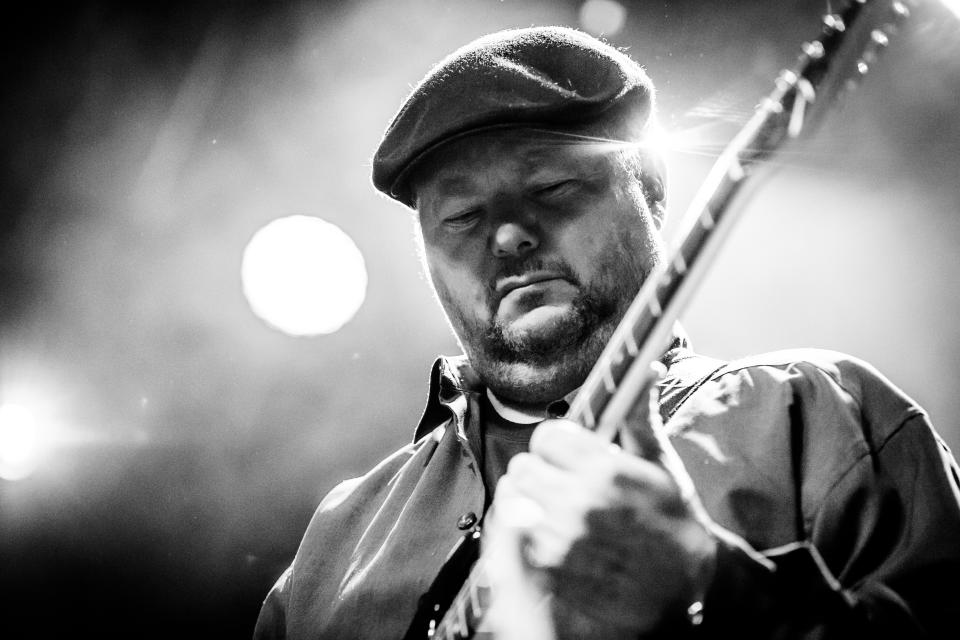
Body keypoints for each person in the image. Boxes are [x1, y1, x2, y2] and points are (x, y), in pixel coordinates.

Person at [254, 26, 960, 639]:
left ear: (651, 189)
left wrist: (713, 590)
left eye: (552, 189)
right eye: (463, 217)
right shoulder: (336, 542)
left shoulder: (818, 416)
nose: (505, 236)